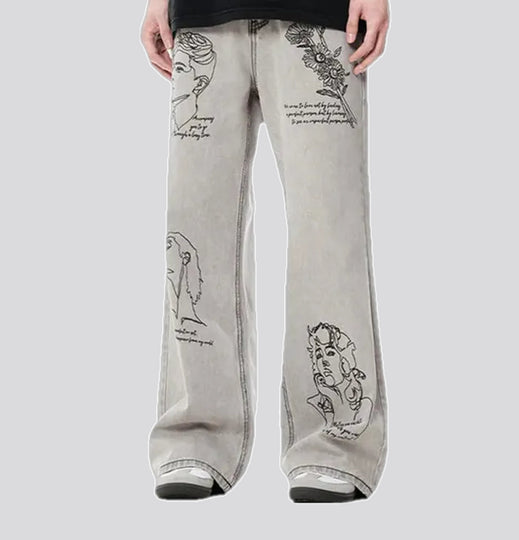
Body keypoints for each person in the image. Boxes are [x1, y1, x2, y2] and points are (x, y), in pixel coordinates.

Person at [141, 0, 390, 503]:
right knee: (194, 230)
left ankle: (334, 444)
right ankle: (196, 435)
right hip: (202, 19)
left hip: (319, 16)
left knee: (327, 228)